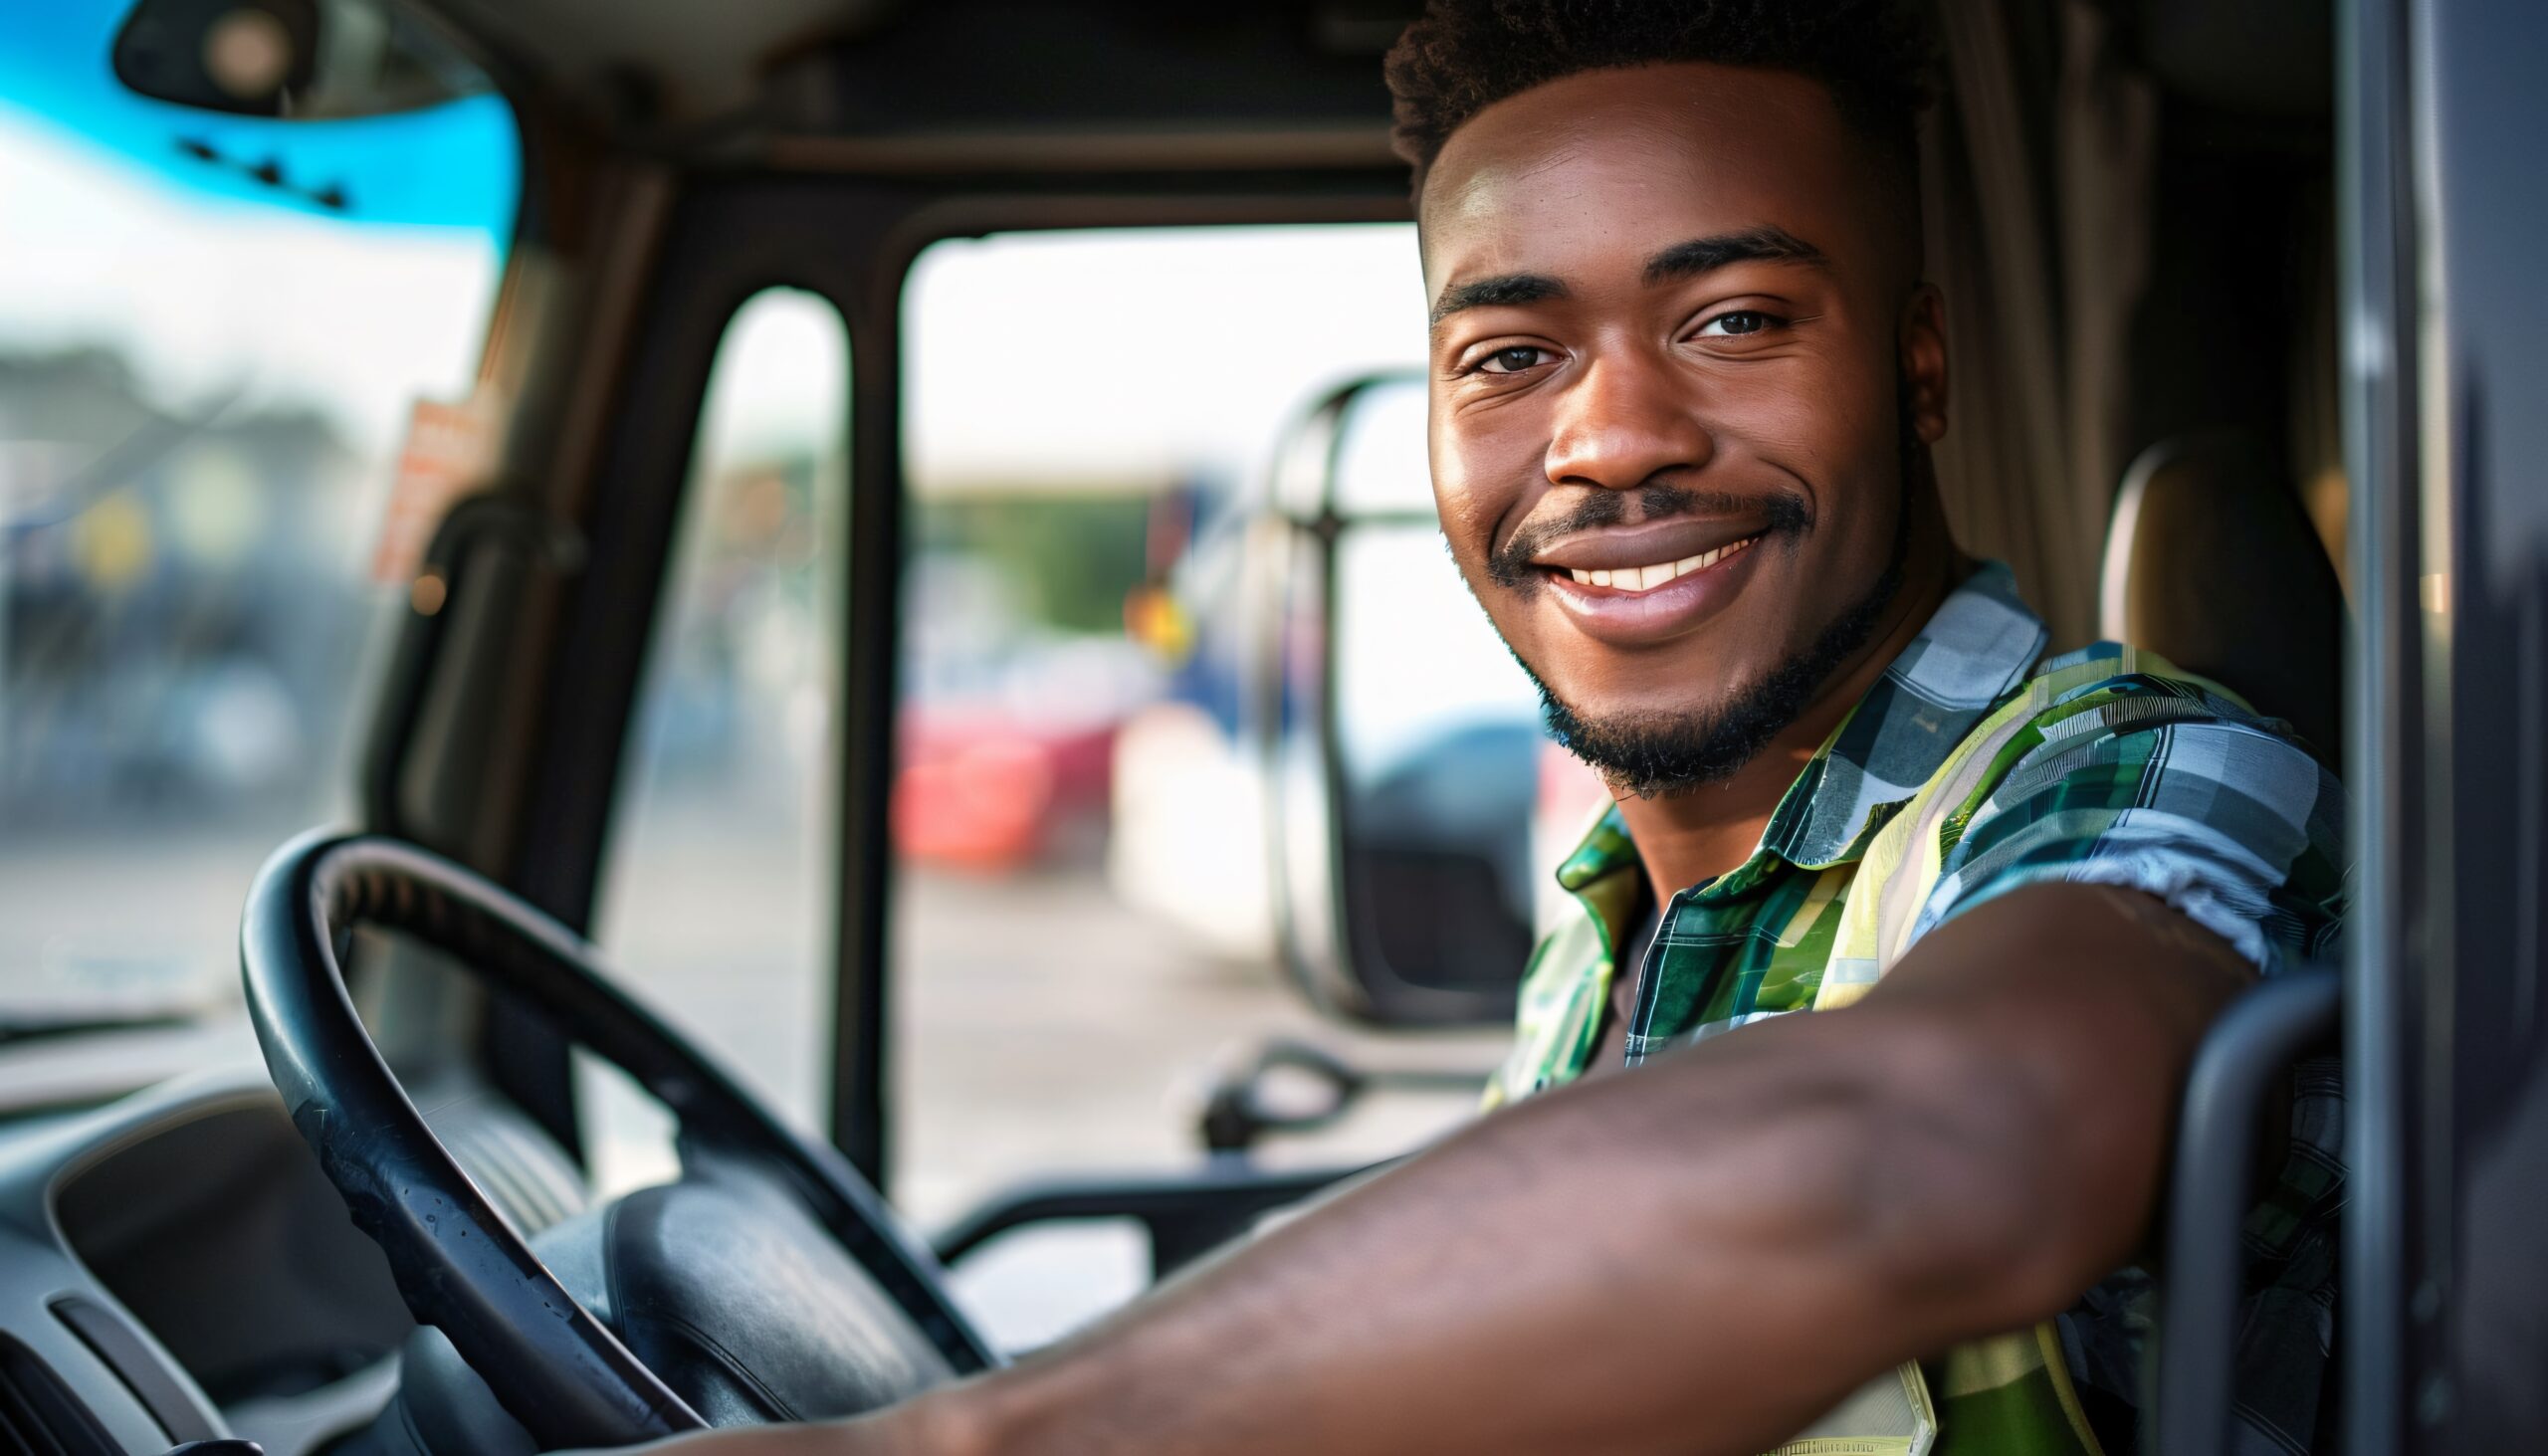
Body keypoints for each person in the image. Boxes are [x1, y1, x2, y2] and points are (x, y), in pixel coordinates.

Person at [614, 2, 2346, 1451]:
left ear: (1920, 371)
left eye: (1733, 321)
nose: (1611, 440)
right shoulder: (1609, 917)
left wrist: (959, 1444)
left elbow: (1942, 1146)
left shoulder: (2144, 775)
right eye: (1509, 356)